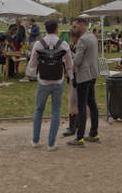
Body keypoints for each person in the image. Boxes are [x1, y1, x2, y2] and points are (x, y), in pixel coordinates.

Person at [28, 19, 73, 151]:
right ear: (57, 29)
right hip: (58, 81)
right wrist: (70, 75)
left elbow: (32, 64)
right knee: (56, 111)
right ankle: (51, 143)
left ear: (45, 29)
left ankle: (35, 140)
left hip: (43, 81)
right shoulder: (63, 44)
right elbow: (69, 64)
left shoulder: (38, 44)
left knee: (38, 110)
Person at [67, 17, 100, 147]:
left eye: (75, 26)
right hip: (92, 74)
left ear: (82, 25)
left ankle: (79, 137)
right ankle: (94, 133)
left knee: (82, 106)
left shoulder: (82, 40)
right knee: (92, 103)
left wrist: (71, 61)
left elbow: (77, 60)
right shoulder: (92, 37)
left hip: (84, 76)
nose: (73, 29)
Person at [62, 26, 81, 137]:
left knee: (73, 100)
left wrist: (71, 56)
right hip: (71, 75)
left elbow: (76, 61)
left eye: (72, 36)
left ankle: (72, 127)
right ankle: (76, 124)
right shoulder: (71, 45)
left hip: (76, 76)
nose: (71, 38)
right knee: (73, 99)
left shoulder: (79, 46)